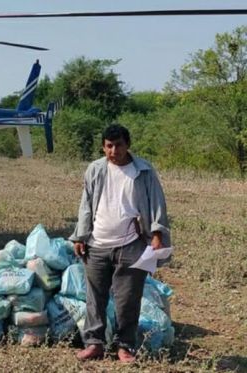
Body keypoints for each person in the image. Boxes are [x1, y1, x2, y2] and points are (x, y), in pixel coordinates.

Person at [69, 124, 170, 363]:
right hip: (97, 244)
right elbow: (86, 205)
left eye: (119, 145)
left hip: (131, 244)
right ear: (103, 147)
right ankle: (94, 344)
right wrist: (80, 236)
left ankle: (125, 346)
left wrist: (157, 233)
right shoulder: (95, 169)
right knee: (95, 298)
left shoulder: (143, 171)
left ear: (128, 145)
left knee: (128, 298)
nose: (114, 150)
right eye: (109, 146)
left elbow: (157, 203)